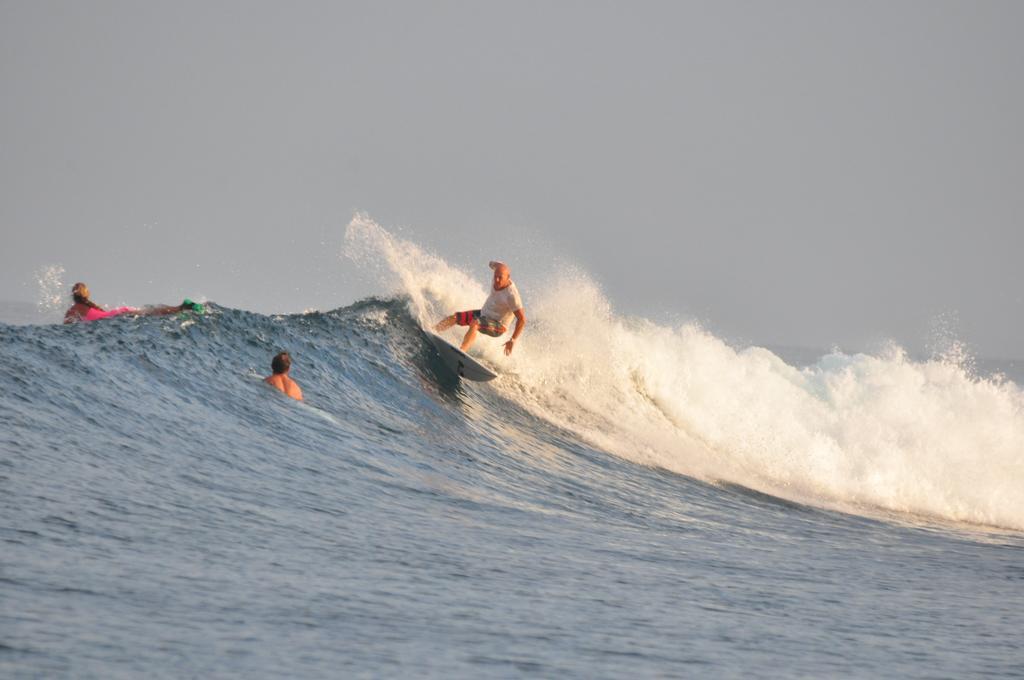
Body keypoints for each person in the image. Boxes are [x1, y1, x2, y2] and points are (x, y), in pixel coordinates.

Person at [435, 260, 526, 355]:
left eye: (500, 278)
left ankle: (461, 352)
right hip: (484, 314)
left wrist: (513, 339)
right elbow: (493, 264)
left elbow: (522, 319)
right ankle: (433, 330)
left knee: (475, 323)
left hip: (498, 325)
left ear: (508, 278)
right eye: (495, 276)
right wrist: (492, 263)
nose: (497, 280)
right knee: (455, 317)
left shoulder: (512, 296)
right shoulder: (497, 269)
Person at [63, 283, 203, 324]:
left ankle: (182, 308)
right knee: (151, 312)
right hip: (119, 312)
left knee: (151, 314)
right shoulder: (90, 305)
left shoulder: (73, 310)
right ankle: (181, 307)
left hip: (117, 317)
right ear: (86, 294)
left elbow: (66, 331)